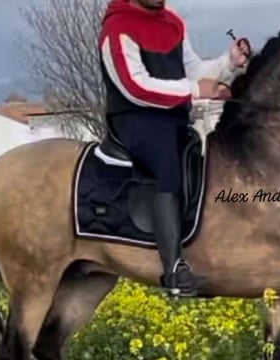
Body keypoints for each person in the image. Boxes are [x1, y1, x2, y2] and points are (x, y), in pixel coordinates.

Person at [98, 0, 250, 297]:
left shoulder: (172, 21)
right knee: (168, 160)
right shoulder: (116, 28)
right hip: (134, 118)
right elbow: (135, 86)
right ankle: (174, 270)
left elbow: (192, 69)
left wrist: (228, 62)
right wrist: (194, 92)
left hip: (172, 114)